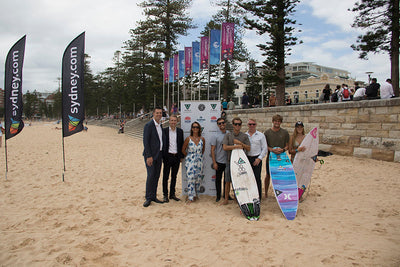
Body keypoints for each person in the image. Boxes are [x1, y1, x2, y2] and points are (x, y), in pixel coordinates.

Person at [222, 117, 251, 205]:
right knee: (227, 181)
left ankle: (237, 199)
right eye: (235, 124)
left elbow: (248, 148)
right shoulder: (228, 135)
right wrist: (235, 146)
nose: (237, 126)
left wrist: (240, 143)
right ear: (233, 125)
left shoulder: (244, 136)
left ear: (241, 125)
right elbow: (225, 147)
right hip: (229, 161)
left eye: (239, 124)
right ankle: (226, 199)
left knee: (239, 181)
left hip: (240, 163)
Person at [263, 114, 290, 198]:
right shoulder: (267, 133)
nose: (277, 123)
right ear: (273, 121)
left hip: (282, 158)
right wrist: (272, 150)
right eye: (275, 121)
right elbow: (264, 146)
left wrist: (283, 150)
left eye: (278, 121)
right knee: (268, 175)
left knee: (281, 175)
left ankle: (281, 193)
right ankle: (266, 193)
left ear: (281, 122)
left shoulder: (285, 132)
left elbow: (287, 145)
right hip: (271, 158)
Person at [142, 107, 164, 207]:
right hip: (151, 156)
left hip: (159, 155)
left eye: (160, 113)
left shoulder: (160, 125)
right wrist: (149, 156)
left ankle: (153, 196)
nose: (159, 114)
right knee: (150, 176)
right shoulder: (149, 125)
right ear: (153, 114)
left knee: (156, 176)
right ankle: (148, 198)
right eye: (157, 113)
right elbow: (146, 142)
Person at [162, 115, 184, 203]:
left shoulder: (180, 131)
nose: (173, 122)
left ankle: (172, 194)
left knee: (174, 177)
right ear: (169, 121)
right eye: (171, 120)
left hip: (176, 157)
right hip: (168, 157)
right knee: (165, 177)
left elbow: (181, 144)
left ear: (177, 121)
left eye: (175, 120)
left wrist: (181, 156)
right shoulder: (164, 131)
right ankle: (165, 195)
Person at [182, 122, 205, 204]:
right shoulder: (188, 139)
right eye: (194, 127)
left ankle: (195, 195)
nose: (195, 129)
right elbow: (183, 150)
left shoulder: (202, 139)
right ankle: (190, 197)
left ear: (199, 129)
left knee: (198, 179)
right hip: (190, 161)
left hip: (199, 161)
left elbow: (203, 150)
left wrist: (198, 156)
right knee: (190, 178)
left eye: (197, 127)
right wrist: (189, 156)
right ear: (191, 128)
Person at [245, 119, 268, 200]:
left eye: (253, 124)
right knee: (248, 178)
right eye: (250, 124)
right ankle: (249, 196)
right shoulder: (245, 135)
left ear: (256, 124)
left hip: (257, 158)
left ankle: (258, 197)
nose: (252, 126)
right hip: (247, 158)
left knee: (257, 178)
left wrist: (259, 158)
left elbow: (264, 148)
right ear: (247, 125)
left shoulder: (261, 135)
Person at [210, 118, 229, 202]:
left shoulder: (229, 134)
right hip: (219, 161)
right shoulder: (215, 136)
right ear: (217, 125)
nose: (221, 124)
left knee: (227, 180)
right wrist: (214, 162)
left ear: (225, 123)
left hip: (228, 161)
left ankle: (226, 195)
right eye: (219, 123)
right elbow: (212, 150)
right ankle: (218, 196)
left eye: (223, 122)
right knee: (218, 179)